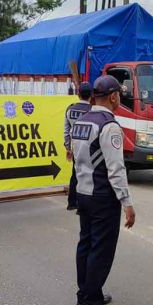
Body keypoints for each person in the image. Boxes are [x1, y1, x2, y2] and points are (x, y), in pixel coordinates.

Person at [71, 75, 136, 305]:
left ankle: (85, 293)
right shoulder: (109, 126)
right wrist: (127, 203)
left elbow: (77, 160)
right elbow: (115, 169)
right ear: (112, 96)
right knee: (101, 250)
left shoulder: (82, 121)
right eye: (119, 94)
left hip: (84, 193)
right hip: (102, 197)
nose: (120, 98)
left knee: (85, 245)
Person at [64, 81, 93, 210]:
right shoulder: (92, 111)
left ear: (78, 94)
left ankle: (71, 203)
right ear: (91, 95)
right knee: (88, 175)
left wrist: (68, 148)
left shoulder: (70, 110)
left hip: (76, 147)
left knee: (75, 174)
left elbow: (66, 131)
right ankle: (83, 205)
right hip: (90, 147)